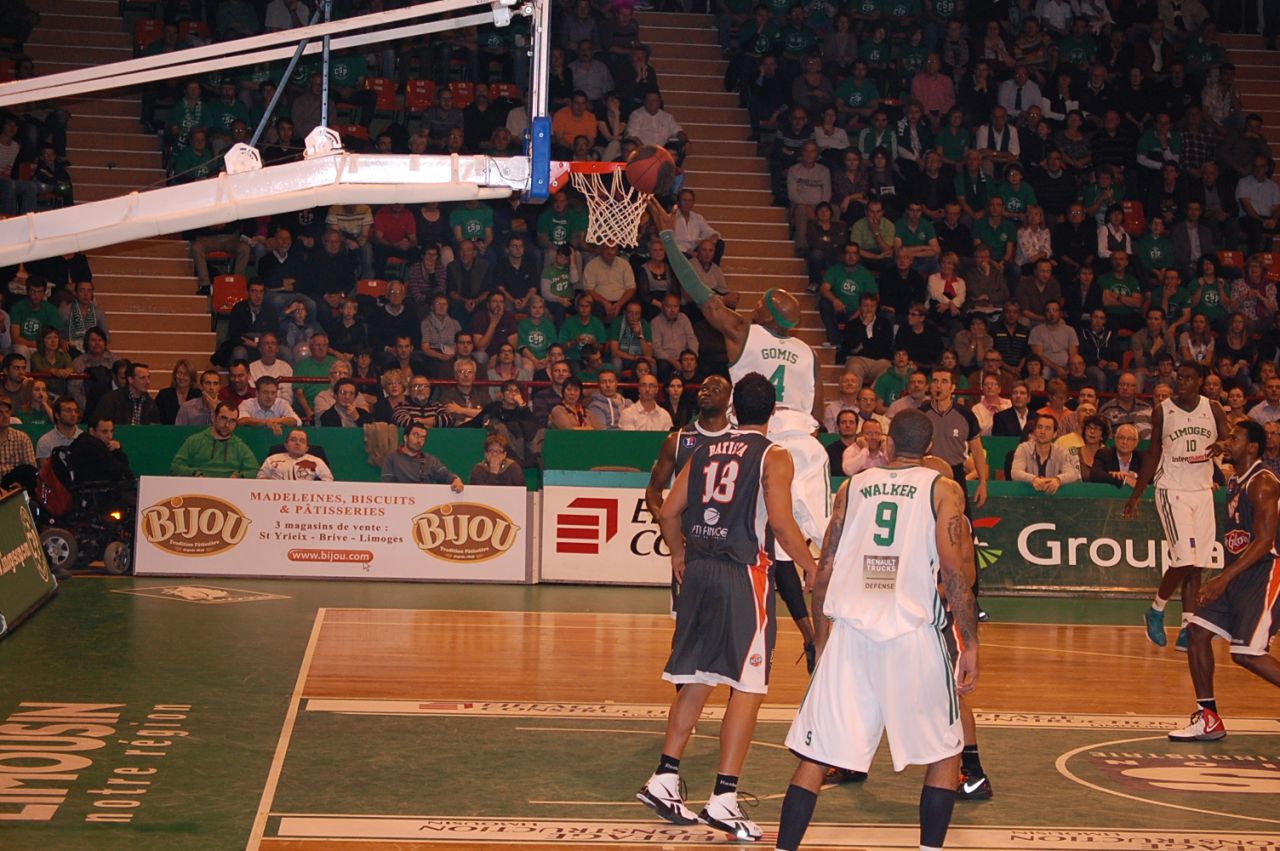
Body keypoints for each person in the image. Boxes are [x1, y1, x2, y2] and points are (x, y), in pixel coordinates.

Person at [774, 409, 979, 851]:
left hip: (851, 636)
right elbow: (954, 571)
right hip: (912, 635)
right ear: (929, 449)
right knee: (946, 751)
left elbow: (824, 572)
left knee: (816, 755)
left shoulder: (851, 488)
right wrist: (971, 644)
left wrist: (821, 639)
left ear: (888, 444)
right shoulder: (943, 488)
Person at [637, 374, 819, 841]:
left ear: (734, 408)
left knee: (698, 677)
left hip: (698, 572)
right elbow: (782, 524)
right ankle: (723, 798)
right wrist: (811, 566)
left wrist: (678, 554)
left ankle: (665, 777)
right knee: (748, 687)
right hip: (743, 576)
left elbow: (668, 511)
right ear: (773, 411)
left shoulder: (703, 450)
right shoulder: (774, 455)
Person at [1171, 420, 1280, 741]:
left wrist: (1222, 579)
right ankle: (1209, 718)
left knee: (1246, 653)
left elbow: (1264, 542)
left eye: (1235, 438)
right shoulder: (1235, 479)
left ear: (1252, 448)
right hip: (1238, 573)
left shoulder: (1262, 484)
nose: (1228, 442)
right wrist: (1222, 445)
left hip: (1265, 572)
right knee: (1196, 632)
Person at [1125, 363, 1230, 650]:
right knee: (1184, 558)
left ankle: (1188, 626)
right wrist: (1136, 495)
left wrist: (1222, 445)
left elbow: (1229, 438)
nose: (1181, 382)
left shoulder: (1213, 408)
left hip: (1203, 490)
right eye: (1179, 378)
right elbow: (1152, 454)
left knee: (1197, 564)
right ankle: (1156, 610)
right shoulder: (1163, 410)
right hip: (1172, 489)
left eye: (1188, 378)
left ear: (1200, 381)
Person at [170, 402, 260, 478]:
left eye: (232, 421)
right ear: (214, 417)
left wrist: (239, 476)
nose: (227, 425)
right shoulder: (194, 441)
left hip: (230, 489)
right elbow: (176, 466)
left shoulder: (239, 446)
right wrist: (194, 473)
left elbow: (255, 470)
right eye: (223, 418)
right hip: (198, 488)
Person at [380, 422, 465, 491]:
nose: (419, 441)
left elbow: (446, 475)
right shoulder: (391, 458)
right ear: (405, 438)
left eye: (423, 438)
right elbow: (388, 486)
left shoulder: (431, 460)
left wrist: (456, 480)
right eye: (416, 435)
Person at [1011, 413, 1082, 492]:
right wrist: (1033, 479)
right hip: (1026, 495)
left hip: (1053, 497)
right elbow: (1015, 473)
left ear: (1054, 434)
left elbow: (1073, 474)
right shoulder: (1023, 448)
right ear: (1035, 431)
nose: (1042, 431)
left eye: (1047, 428)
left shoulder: (1061, 452)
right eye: (1039, 427)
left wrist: (1058, 479)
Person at [257, 429, 334, 481]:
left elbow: (328, 480)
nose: (297, 443)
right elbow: (260, 478)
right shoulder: (272, 459)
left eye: (302, 441)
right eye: (293, 440)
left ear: (307, 448)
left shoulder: (316, 461)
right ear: (286, 445)